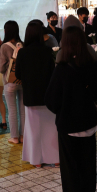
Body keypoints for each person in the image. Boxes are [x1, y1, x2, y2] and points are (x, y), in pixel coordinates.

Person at [45, 26, 97, 192]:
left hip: (68, 124)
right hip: (88, 122)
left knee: (70, 166)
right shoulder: (92, 64)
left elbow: (51, 101)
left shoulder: (61, 68)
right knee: (88, 163)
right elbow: (96, 92)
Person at [15, 21, 59, 168]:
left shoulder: (22, 52)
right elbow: (53, 73)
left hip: (31, 97)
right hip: (48, 96)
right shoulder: (48, 51)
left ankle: (37, 160)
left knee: (34, 130)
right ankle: (55, 158)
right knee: (51, 129)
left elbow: (18, 74)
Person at [0, 20, 25, 143]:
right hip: (22, 81)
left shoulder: (4, 47)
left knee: (12, 110)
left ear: (6, 31)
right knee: (23, 110)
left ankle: (14, 137)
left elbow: (1, 68)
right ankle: (23, 136)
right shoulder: (23, 44)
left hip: (9, 82)